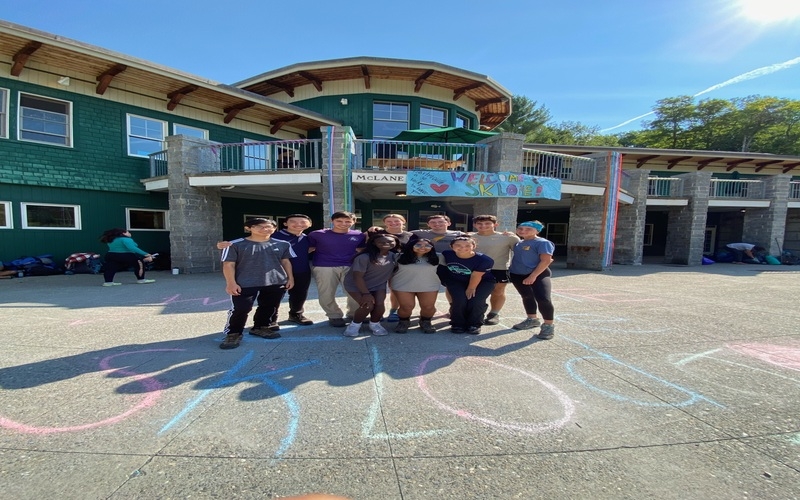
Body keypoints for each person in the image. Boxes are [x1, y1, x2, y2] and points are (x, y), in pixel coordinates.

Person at [219, 218, 294, 350]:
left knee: (270, 306)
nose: (265, 229)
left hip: (275, 281)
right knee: (241, 308)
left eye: (269, 227)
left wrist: (290, 278)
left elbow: (286, 262)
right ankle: (233, 333)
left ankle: (261, 327)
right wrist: (231, 283)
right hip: (244, 282)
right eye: (260, 226)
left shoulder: (283, 244)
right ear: (249, 228)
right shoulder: (234, 244)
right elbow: (228, 264)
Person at [308, 211, 366, 327]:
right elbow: (308, 248)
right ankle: (334, 315)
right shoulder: (317, 234)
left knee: (354, 292)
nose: (343, 223)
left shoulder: (359, 235)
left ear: (354, 222)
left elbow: (362, 250)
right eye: (339, 221)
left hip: (350, 266)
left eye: (347, 221)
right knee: (326, 292)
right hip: (324, 266)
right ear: (332, 221)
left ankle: (354, 313)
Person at [342, 234, 400, 337]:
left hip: (378, 284)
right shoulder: (364, 257)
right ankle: (354, 325)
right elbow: (357, 277)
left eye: (391, 242)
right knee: (367, 306)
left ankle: (374, 324)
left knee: (379, 305)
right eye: (381, 242)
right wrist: (366, 293)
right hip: (356, 285)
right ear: (374, 243)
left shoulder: (394, 256)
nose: (386, 244)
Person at [470, 214, 520, 326]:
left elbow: (521, 252)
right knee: (474, 292)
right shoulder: (469, 237)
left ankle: (494, 314)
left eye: (487, 223)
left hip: (499, 268)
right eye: (480, 224)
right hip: (474, 269)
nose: (483, 226)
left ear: (495, 224)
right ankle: (473, 314)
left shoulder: (509, 237)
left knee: (498, 292)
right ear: (475, 225)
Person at [509, 221, 556, 340]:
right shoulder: (518, 243)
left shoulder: (542, 243)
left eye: (528, 229)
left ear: (537, 231)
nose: (523, 231)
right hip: (517, 274)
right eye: (520, 228)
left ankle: (548, 326)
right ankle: (532, 319)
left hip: (537, 274)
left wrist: (533, 276)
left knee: (543, 299)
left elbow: (546, 261)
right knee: (527, 297)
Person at [439, 236, 495, 334]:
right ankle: (457, 323)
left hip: (482, 281)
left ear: (474, 246)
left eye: (467, 245)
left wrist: (471, 288)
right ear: (451, 246)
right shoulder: (446, 254)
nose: (462, 248)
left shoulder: (484, 260)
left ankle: (474, 324)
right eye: (458, 245)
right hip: (456, 280)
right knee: (459, 300)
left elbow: (476, 276)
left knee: (476, 300)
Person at [365, 213, 413, 322]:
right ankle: (377, 311)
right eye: (389, 221)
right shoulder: (376, 233)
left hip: (399, 266)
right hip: (378, 265)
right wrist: (370, 229)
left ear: (403, 221)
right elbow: (365, 242)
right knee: (376, 289)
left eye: (396, 221)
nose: (393, 223)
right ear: (384, 223)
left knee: (395, 289)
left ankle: (394, 310)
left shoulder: (410, 235)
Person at [390, 238, 441, 333]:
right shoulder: (397, 256)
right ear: (411, 246)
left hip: (429, 285)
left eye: (427, 245)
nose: (422, 248)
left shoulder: (438, 257)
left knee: (428, 307)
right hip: (403, 285)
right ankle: (404, 322)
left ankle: (425, 321)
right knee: (406, 307)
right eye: (418, 245)